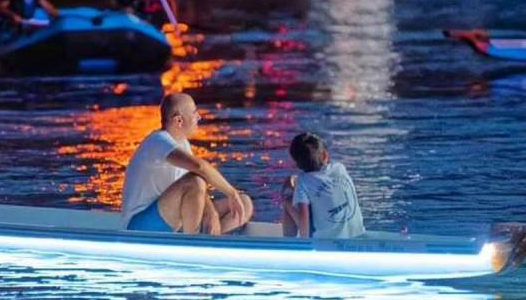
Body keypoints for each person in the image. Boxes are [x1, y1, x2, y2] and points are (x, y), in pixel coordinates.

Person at [121, 93, 254, 235]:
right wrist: (232, 193)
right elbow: (199, 168)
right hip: (140, 227)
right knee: (196, 180)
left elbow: (198, 188)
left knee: (244, 203)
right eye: (194, 113)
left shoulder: (183, 144)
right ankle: (193, 243)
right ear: (179, 120)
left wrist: (212, 212)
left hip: (171, 219)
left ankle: (210, 240)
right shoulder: (158, 141)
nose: (199, 117)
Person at [281, 132, 365, 238]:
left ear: (297, 164)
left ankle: (289, 242)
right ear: (325, 155)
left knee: (288, 199)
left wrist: (305, 240)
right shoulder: (340, 168)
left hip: (327, 241)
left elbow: (303, 217)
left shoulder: (303, 182)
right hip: (357, 234)